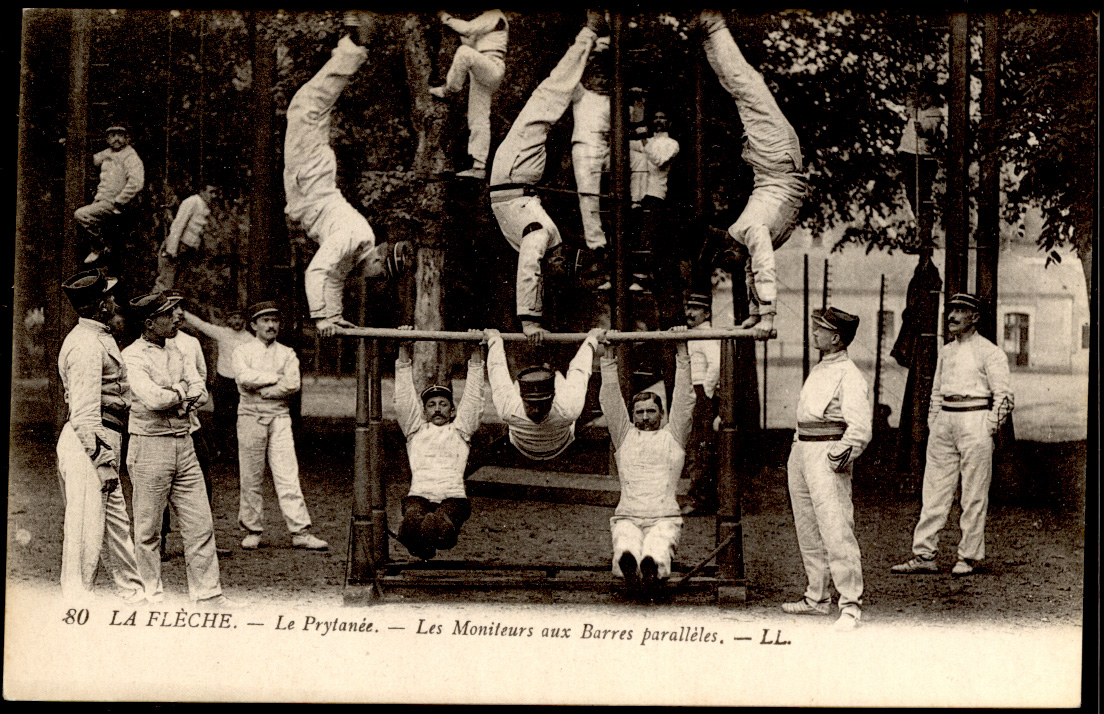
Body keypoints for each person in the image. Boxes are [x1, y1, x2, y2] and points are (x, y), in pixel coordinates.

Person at [284, 12, 412, 338]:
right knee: (305, 106)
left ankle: (352, 47)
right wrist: (321, 319)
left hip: (310, 187)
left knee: (309, 108)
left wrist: (336, 316)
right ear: (380, 258)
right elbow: (317, 271)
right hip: (312, 182)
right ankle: (354, 47)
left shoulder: (357, 248)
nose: (372, 279)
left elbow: (335, 277)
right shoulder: (355, 238)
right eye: (379, 273)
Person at [488, 10, 608, 342]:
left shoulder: (540, 238)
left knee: (547, 97)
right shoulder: (549, 237)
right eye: (564, 259)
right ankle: (590, 48)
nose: (559, 259)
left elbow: (529, 270)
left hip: (514, 174)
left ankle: (590, 34)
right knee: (552, 98)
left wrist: (530, 321)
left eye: (561, 263)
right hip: (519, 181)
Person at [697, 11, 808, 338]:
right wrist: (768, 316)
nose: (736, 260)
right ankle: (713, 27)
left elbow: (751, 269)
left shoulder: (746, 235)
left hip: (772, 162)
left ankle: (709, 38)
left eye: (730, 257)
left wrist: (755, 316)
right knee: (747, 88)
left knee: (741, 89)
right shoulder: (749, 233)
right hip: (777, 159)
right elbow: (762, 268)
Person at [891, 293, 1014, 577]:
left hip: (975, 420)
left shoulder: (990, 352)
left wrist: (989, 427)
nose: (952, 316)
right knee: (933, 490)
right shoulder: (945, 351)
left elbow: (1004, 396)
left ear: (975, 317)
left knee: (972, 493)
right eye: (951, 310)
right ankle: (924, 554)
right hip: (946, 420)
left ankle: (968, 557)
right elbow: (936, 391)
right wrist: (936, 421)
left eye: (961, 311)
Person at [122, 291, 228, 606]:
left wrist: (176, 393)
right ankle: (152, 596)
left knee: (200, 523)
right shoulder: (132, 355)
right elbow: (153, 400)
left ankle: (208, 594)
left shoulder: (178, 349)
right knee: (148, 528)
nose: (175, 318)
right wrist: (181, 392)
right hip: (149, 446)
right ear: (149, 322)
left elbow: (202, 391)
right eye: (168, 314)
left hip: (184, 443)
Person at [55, 269, 143, 602]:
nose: (114, 301)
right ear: (99, 304)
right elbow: (84, 414)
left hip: (105, 438)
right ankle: (76, 601)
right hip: (89, 443)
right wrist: (103, 461)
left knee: (116, 526)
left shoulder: (97, 337)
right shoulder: (86, 345)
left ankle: (134, 594)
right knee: (85, 529)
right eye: (108, 296)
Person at [782, 307, 870, 631]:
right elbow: (805, 415)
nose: (814, 333)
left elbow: (860, 429)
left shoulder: (850, 375)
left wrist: (836, 458)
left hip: (826, 454)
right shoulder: (820, 369)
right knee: (808, 528)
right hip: (803, 451)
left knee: (836, 530)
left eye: (820, 329)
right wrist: (797, 448)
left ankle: (850, 606)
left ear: (836, 337)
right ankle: (817, 598)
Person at [597, 326, 695, 597]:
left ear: (662, 414)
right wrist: (608, 354)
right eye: (638, 412)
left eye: (651, 411)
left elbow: (685, 401)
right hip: (628, 514)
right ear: (631, 415)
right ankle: (629, 564)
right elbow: (610, 400)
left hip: (663, 515)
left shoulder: (673, 436)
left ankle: (651, 568)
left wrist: (682, 350)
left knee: (658, 544)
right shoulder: (624, 435)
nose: (645, 417)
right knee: (625, 541)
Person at [233, 301, 328, 551]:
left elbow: (293, 384)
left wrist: (261, 390)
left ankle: (300, 531)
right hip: (249, 416)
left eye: (274, 320)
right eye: (265, 320)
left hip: (279, 417)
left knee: (287, 474)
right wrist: (276, 379)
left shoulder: (287, 353)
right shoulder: (242, 351)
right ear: (253, 325)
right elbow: (244, 378)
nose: (271, 325)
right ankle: (252, 529)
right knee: (251, 476)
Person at [393, 327, 485, 560]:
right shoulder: (415, 430)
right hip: (419, 496)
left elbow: (474, 398)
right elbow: (404, 399)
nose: (437, 409)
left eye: (443, 404)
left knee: (440, 526)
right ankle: (420, 537)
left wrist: (475, 351)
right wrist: (404, 349)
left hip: (452, 498)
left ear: (452, 410)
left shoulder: (460, 430)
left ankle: (433, 536)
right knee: (412, 520)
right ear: (424, 411)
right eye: (431, 405)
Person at [161, 290, 230, 559]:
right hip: (162, 425)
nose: (178, 313)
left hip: (191, 424)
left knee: (203, 482)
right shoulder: (149, 345)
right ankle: (160, 542)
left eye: (180, 308)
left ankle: (203, 541)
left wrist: (188, 401)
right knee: (161, 485)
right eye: (172, 308)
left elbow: (200, 379)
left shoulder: (190, 343)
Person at [484, 326, 603, 461]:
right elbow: (579, 370)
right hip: (557, 437)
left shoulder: (508, 408)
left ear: (553, 397)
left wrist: (494, 339)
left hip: (545, 440)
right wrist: (592, 339)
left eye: (541, 404)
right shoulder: (567, 408)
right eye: (531, 404)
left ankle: (537, 334)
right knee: (571, 395)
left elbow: (497, 367)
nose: (536, 410)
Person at [430, 10, 509, 180]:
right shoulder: (485, 22)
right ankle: (479, 167)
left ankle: (448, 89)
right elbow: (468, 36)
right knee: (478, 117)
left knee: (463, 52)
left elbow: (467, 29)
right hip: (481, 70)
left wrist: (446, 18)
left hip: (492, 64)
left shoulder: (494, 14)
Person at [182, 307, 254, 463]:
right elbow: (201, 325)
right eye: (233, 317)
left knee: (239, 417)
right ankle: (219, 451)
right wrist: (184, 312)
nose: (236, 321)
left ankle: (236, 453)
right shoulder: (222, 333)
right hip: (222, 382)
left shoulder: (250, 339)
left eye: (239, 318)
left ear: (245, 320)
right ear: (228, 320)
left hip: (240, 383)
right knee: (220, 417)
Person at [74, 124, 145, 264]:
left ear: (127, 138)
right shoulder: (107, 153)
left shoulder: (130, 157)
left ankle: (98, 247)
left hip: (116, 204)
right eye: (112, 136)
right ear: (107, 139)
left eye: (120, 135)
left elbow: (136, 183)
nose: (116, 139)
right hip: (102, 200)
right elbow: (91, 159)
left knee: (81, 214)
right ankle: (103, 248)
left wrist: (119, 201)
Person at [681, 293, 721, 516]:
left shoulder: (706, 335)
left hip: (701, 393)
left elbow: (715, 364)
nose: (690, 312)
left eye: (696, 309)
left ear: (706, 313)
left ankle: (701, 500)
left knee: (702, 446)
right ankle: (702, 497)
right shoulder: (694, 334)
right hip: (694, 390)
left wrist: (705, 392)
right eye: (689, 307)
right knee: (696, 444)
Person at [153, 185, 219, 293]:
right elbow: (178, 224)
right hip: (178, 247)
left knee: (178, 285)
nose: (213, 196)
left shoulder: (205, 206)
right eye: (210, 192)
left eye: (215, 193)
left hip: (187, 250)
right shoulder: (192, 201)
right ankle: (152, 307)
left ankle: (173, 308)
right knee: (165, 283)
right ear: (202, 191)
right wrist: (171, 249)